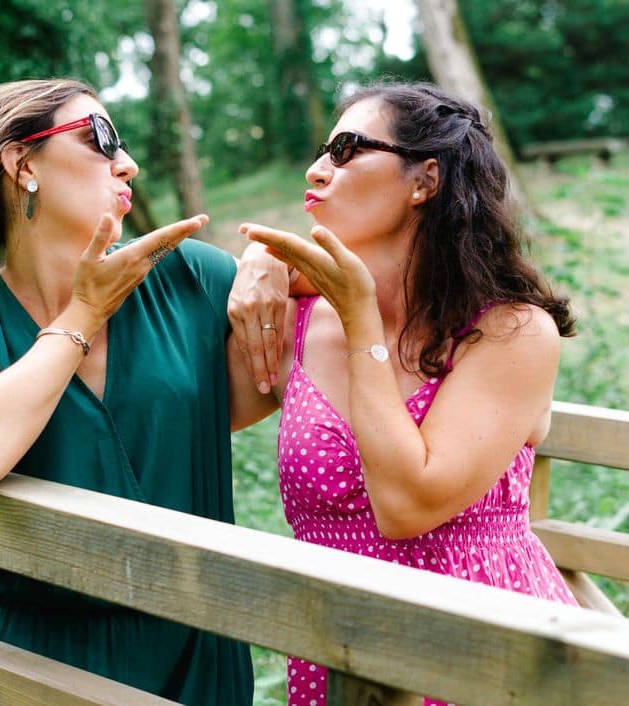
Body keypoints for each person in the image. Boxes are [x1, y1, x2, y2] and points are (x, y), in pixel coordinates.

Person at [0, 78, 289, 705]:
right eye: (101, 139)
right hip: (32, 666)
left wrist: (268, 261)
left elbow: (314, 337)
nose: (127, 163)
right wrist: (85, 312)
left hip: (198, 658)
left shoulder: (189, 276)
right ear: (23, 164)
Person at [231, 82, 580, 706]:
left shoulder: (513, 333)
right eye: (322, 151)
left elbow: (406, 506)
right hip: (336, 647)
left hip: (482, 652)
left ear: (424, 180)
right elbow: (177, 413)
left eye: (346, 149)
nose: (317, 169)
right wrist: (261, 257)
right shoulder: (299, 321)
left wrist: (361, 322)